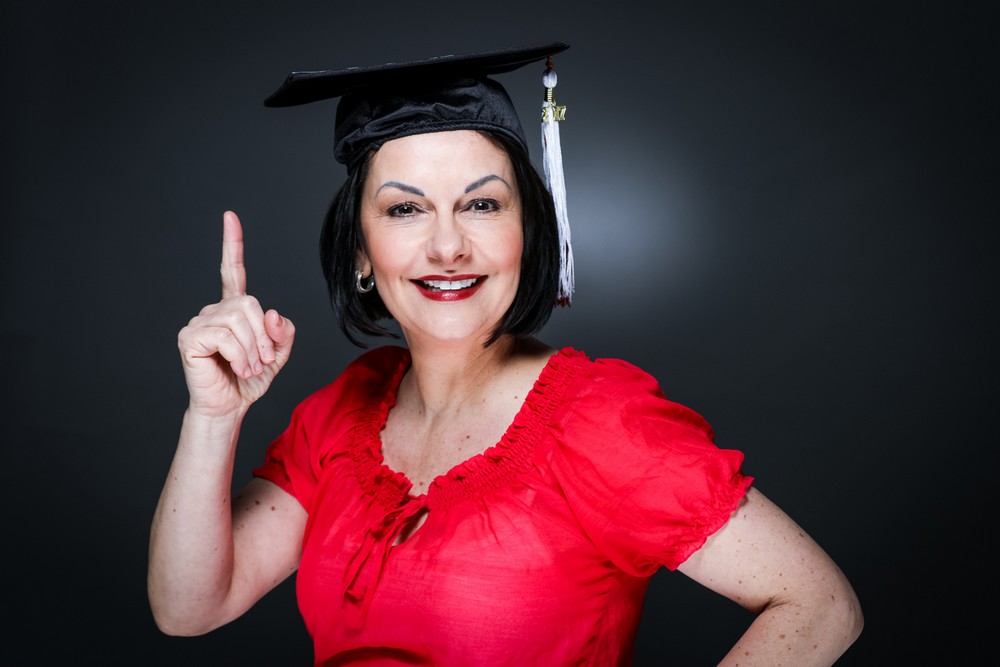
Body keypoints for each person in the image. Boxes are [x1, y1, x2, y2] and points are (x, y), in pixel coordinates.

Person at [147, 41, 863, 666]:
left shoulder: (599, 423)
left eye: (482, 204)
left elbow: (820, 606)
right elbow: (189, 607)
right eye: (405, 209)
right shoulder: (342, 413)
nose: (448, 245)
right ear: (361, 251)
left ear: (528, 230)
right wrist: (213, 416)